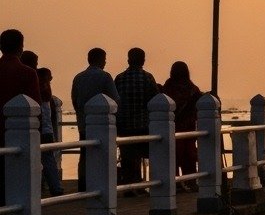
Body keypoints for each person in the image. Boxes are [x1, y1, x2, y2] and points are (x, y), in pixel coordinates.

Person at [0, 30, 41, 215]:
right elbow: (35, 106)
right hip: (21, 138)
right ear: (21, 47)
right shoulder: (27, 73)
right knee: (18, 182)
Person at [71, 47, 119, 191]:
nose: (105, 62)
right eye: (104, 59)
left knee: (85, 155)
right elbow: (115, 99)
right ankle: (101, 184)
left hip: (84, 123)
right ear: (99, 59)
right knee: (103, 154)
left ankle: (83, 184)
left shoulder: (78, 77)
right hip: (103, 125)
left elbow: (75, 100)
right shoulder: (105, 77)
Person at [114, 47, 159, 191]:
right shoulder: (147, 78)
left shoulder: (119, 78)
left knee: (127, 158)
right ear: (143, 60)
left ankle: (129, 186)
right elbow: (155, 100)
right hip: (143, 124)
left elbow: (115, 100)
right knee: (141, 155)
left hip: (124, 125)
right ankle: (140, 185)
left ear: (128, 59)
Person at [161, 61, 202, 189]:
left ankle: (176, 184)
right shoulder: (192, 89)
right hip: (188, 128)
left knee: (173, 156)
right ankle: (190, 181)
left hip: (172, 127)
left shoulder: (168, 87)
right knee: (189, 156)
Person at [36, 68, 64, 196]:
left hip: (41, 129)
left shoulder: (39, 91)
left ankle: (44, 185)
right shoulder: (46, 93)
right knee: (49, 160)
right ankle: (56, 187)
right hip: (46, 130)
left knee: (39, 159)